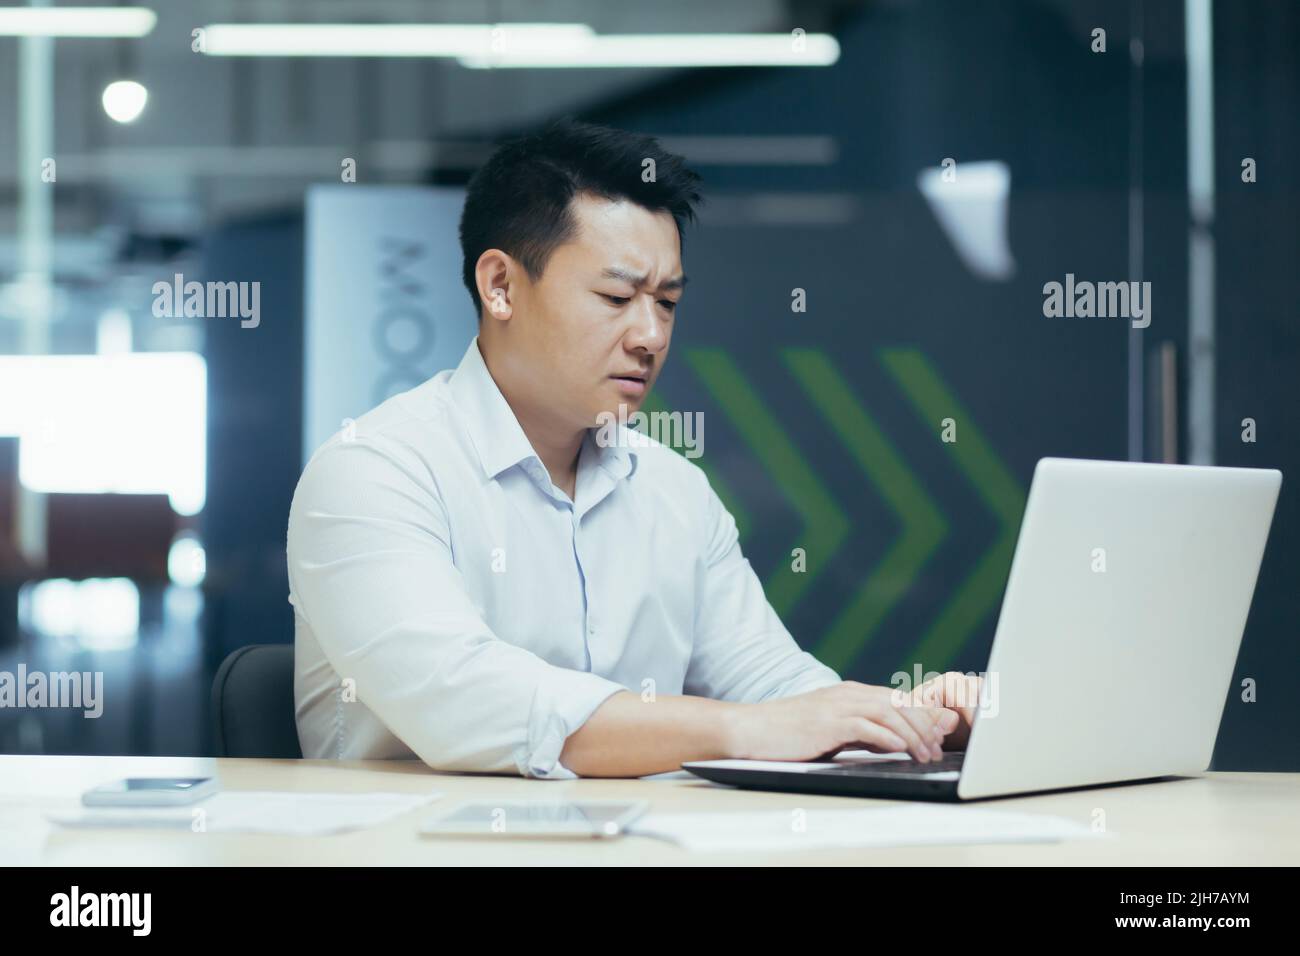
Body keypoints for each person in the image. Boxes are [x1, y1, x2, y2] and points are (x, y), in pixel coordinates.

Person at [289, 118, 979, 778]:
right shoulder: (374, 472)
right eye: (617, 296)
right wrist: (738, 729)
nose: (650, 336)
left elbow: (776, 690)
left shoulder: (674, 489)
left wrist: (912, 722)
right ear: (500, 285)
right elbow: (464, 699)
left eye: (668, 303)